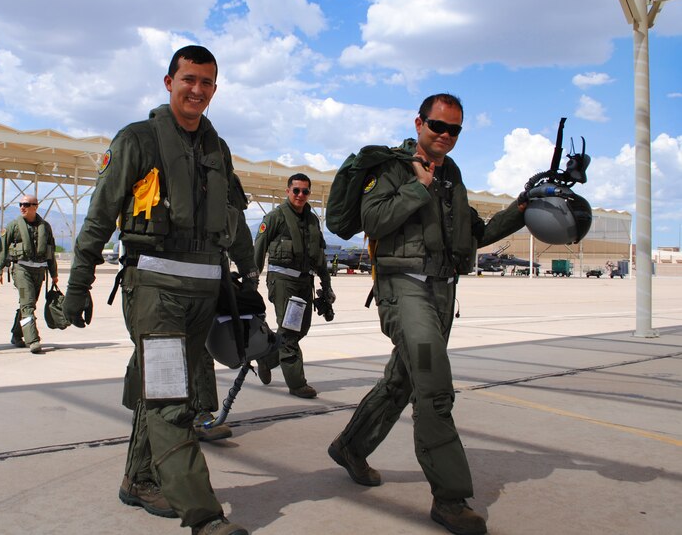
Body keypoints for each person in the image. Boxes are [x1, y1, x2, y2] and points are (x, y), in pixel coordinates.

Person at [63, 45, 258, 535]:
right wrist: (78, 285)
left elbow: (233, 220)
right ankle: (204, 514)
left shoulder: (217, 148)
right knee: (172, 397)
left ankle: (140, 478)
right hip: (154, 289)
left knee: (171, 391)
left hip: (202, 292)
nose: (197, 90)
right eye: (189, 79)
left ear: (215, 89)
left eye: (207, 83)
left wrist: (248, 277)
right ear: (168, 82)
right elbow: (99, 218)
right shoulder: (137, 141)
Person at [326, 94, 527, 535]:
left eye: (455, 130)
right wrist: (418, 186)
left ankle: (351, 447)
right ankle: (450, 499)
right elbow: (372, 220)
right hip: (404, 290)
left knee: (401, 382)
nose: (445, 136)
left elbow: (477, 233)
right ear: (419, 122)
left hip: (441, 294)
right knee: (434, 387)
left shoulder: (452, 175)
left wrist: (523, 208)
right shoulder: (393, 168)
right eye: (438, 126)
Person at [253, 173, 335, 399]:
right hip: (283, 281)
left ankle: (268, 357)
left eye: (305, 191)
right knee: (289, 331)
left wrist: (326, 285)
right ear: (288, 191)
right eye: (296, 190)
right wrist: (251, 281)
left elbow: (319, 255)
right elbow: (258, 250)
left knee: (301, 328)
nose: (300, 195)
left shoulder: (312, 221)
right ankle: (297, 384)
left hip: (304, 281)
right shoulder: (275, 218)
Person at [0, 195, 58, 354]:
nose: (22, 207)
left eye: (27, 204)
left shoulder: (45, 226)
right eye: (21, 204)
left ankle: (16, 334)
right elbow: (2, 249)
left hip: (39, 271)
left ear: (35, 206)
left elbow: (51, 252)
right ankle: (33, 340)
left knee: (27, 305)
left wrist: (54, 273)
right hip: (21, 270)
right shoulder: (14, 226)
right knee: (28, 304)